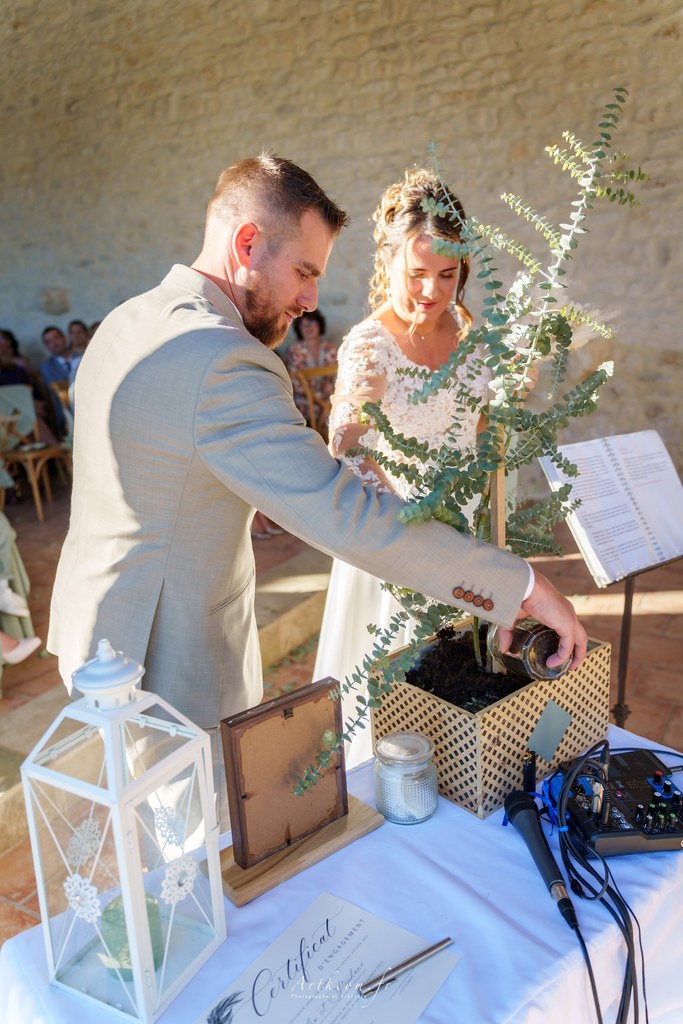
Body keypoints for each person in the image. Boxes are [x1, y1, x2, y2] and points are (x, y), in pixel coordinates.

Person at [47, 154, 587, 827]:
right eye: (303, 273)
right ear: (247, 244)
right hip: (171, 655)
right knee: (202, 848)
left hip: (99, 631)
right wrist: (524, 587)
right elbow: (344, 511)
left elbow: (147, 468)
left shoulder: (128, 319)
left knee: (150, 847)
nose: (308, 301)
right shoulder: (224, 357)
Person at [313, 168, 498, 766]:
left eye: (448, 275)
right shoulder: (370, 344)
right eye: (416, 274)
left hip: (467, 535)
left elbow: (478, 432)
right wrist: (414, 526)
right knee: (398, 712)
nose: (432, 291)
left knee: (467, 693)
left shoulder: (472, 335)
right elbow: (349, 443)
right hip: (397, 539)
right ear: (388, 262)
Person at [285, 309, 337, 430]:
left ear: (319, 324)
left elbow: (336, 378)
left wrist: (325, 400)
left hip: (329, 399)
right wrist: (317, 398)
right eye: (303, 324)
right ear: (299, 329)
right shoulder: (295, 350)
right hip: (305, 402)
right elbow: (295, 382)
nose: (308, 327)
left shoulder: (331, 348)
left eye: (312, 322)